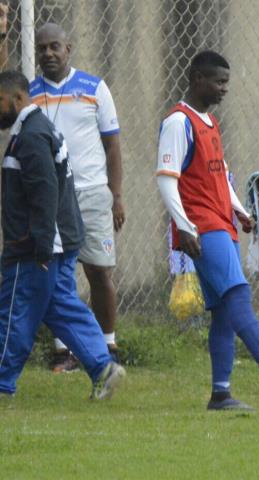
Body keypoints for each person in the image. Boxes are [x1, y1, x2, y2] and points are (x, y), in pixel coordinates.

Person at [156, 50, 259, 411]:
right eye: (219, 82)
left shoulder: (209, 121)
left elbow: (220, 174)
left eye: (226, 82)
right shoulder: (179, 122)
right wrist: (184, 226)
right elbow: (166, 179)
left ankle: (220, 394)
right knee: (238, 292)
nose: (225, 89)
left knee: (225, 311)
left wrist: (239, 210)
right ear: (198, 80)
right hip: (202, 226)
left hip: (220, 222)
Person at [0, 70, 125, 399]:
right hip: (54, 242)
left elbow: (45, 194)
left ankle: (1, 382)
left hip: (37, 248)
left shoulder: (31, 137)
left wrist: (42, 248)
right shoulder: (34, 129)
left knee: (16, 310)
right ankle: (103, 367)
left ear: (17, 99)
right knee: (61, 307)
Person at [29, 23, 125, 371]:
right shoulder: (29, 93)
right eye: (42, 49)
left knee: (99, 272)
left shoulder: (94, 88)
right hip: (51, 198)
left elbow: (112, 145)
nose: (48, 54)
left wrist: (116, 196)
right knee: (59, 275)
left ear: (68, 48)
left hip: (92, 194)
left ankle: (109, 345)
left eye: (55, 46)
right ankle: (64, 351)